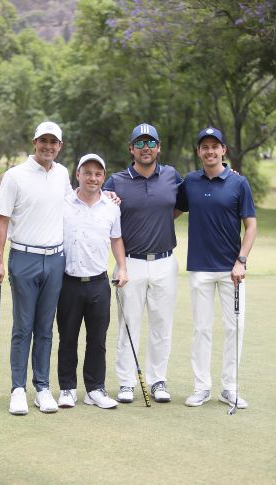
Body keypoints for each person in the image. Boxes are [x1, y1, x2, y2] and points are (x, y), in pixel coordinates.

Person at [0, 121, 71, 415]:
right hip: (23, 257)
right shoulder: (15, 176)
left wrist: (108, 196)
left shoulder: (62, 174)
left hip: (56, 258)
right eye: (43, 141)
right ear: (34, 142)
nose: (49, 146)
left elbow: (74, 204)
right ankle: (18, 389)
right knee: (23, 326)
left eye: (54, 142)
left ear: (60, 146)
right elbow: (1, 220)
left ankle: (42, 387)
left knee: (45, 327)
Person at [174, 127, 257, 408]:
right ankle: (201, 387)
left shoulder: (238, 183)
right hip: (199, 268)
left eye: (215, 146)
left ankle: (229, 388)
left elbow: (251, 226)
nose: (210, 151)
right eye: (204, 147)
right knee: (201, 329)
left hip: (231, 270)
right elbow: (171, 210)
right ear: (198, 152)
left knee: (235, 327)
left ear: (224, 150)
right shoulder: (190, 182)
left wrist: (241, 260)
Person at [102, 123, 182, 404]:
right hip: (130, 263)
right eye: (140, 143)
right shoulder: (116, 181)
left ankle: (158, 380)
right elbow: (99, 209)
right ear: (131, 149)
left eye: (151, 143)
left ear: (158, 148)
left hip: (165, 262)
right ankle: (126, 383)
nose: (145, 148)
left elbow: (181, 205)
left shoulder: (172, 176)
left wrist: (228, 172)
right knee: (128, 325)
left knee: (162, 324)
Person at [55, 154, 129, 410]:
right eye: (87, 173)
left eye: (98, 174)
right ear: (78, 175)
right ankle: (67, 388)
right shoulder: (63, 203)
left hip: (98, 282)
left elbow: (116, 239)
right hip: (68, 282)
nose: (92, 178)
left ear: (103, 178)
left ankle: (95, 389)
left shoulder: (111, 206)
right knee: (67, 337)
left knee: (97, 338)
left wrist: (122, 267)